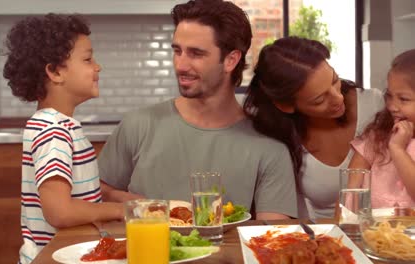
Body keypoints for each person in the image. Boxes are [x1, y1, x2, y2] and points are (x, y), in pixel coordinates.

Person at [98, 0, 298, 220]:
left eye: (196, 53)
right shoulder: (138, 125)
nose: (180, 65)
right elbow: (95, 193)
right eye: (177, 51)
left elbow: (272, 238)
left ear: (231, 60)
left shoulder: (269, 148)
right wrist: (124, 202)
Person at [2, 14, 124, 263]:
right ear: (56, 72)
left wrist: (118, 197)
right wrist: (120, 211)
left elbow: (74, 186)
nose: (97, 66)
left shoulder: (59, 125)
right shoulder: (52, 130)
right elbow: (60, 211)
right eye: (88, 59)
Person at [243, 36, 384, 219]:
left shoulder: (377, 105)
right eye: (319, 100)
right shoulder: (279, 139)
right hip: (329, 238)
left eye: (335, 80)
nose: (338, 98)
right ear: (286, 106)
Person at [348, 49, 415, 208]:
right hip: (373, 231)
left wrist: (397, 149)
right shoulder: (378, 134)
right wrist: (343, 228)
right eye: (389, 96)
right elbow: (350, 189)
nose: (392, 106)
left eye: (403, 99)